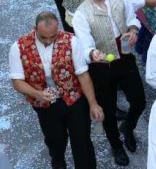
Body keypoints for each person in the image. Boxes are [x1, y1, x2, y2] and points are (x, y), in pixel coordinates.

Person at [8, 11, 103, 169]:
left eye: (53, 36)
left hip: (74, 99)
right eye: (44, 37)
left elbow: (83, 75)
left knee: (82, 141)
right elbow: (17, 81)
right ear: (34, 29)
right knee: (55, 140)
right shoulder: (18, 47)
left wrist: (93, 104)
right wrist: (38, 94)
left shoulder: (71, 41)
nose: (49, 41)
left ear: (58, 29)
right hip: (45, 104)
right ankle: (58, 159)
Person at [72, 0, 146, 167]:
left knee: (139, 100)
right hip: (101, 68)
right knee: (108, 111)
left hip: (125, 58)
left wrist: (133, 30)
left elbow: (132, 19)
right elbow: (85, 46)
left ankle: (128, 127)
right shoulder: (81, 14)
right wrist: (93, 54)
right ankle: (115, 145)